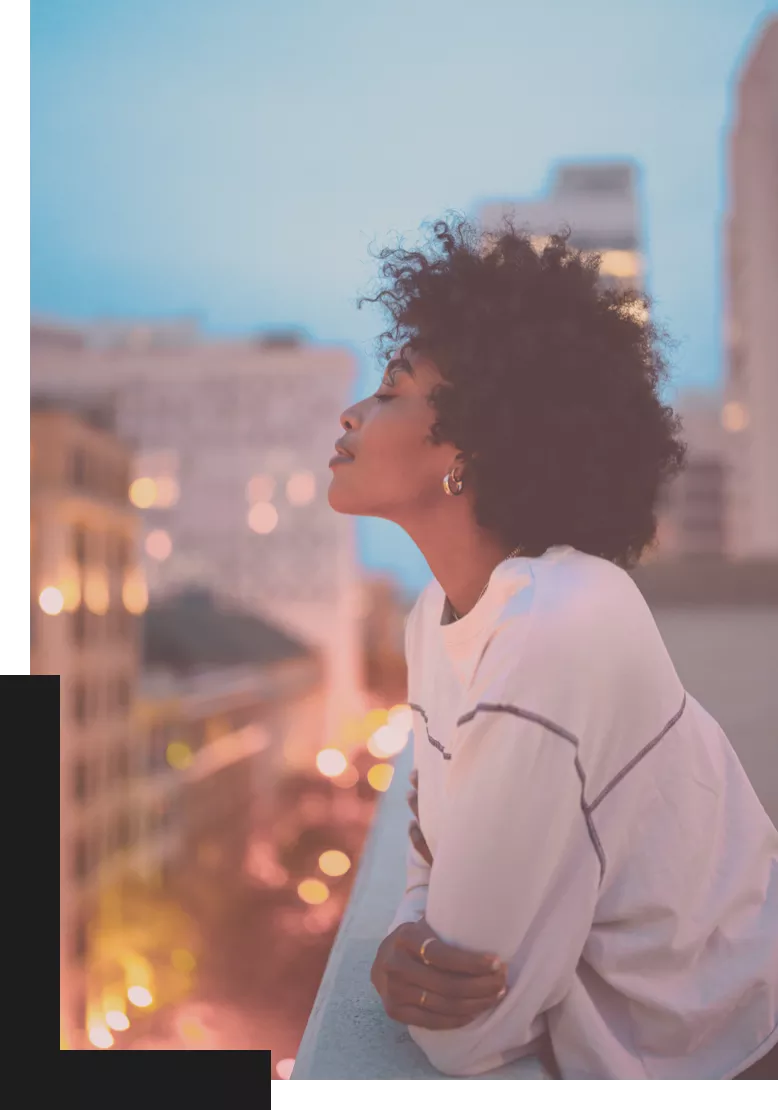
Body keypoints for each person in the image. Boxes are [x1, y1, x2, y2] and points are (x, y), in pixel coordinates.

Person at [327, 217, 778, 1080]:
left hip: (733, 1053)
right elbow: (431, 845)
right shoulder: (439, 617)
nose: (351, 413)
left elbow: (470, 1035)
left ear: (469, 447)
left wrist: (420, 949)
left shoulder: (558, 625)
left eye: (390, 390)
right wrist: (402, 936)